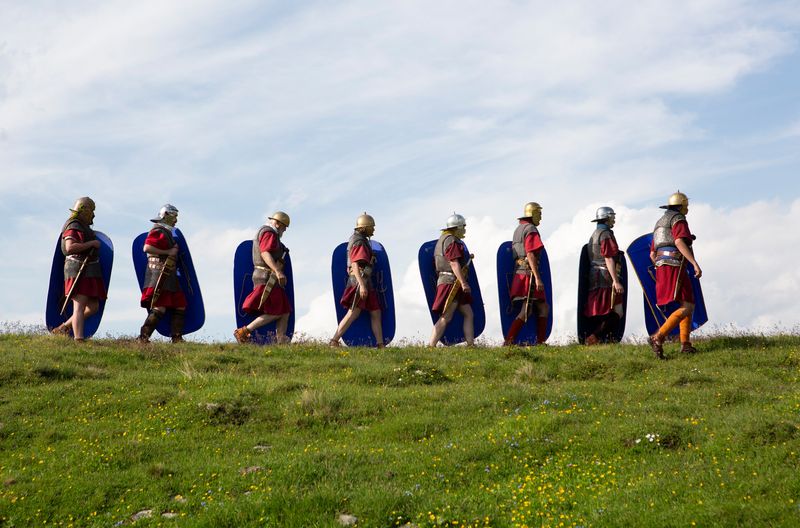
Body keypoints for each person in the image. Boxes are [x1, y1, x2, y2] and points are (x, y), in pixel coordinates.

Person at [647, 191, 702, 359]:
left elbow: (652, 253)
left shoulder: (659, 223)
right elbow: (678, 241)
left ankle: (685, 344)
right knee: (688, 306)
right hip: (675, 265)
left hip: (661, 265)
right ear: (681, 206)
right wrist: (694, 263)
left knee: (687, 302)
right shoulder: (678, 219)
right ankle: (658, 337)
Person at [51, 197, 107, 341]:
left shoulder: (83, 227)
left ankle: (63, 328)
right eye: (91, 211)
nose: (93, 215)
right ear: (85, 210)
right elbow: (70, 248)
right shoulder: (74, 225)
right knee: (79, 307)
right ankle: (79, 339)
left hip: (89, 270)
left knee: (93, 307)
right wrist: (92, 244)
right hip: (78, 269)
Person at [234, 212, 292, 344]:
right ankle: (243, 331)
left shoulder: (271, 234)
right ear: (277, 223)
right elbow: (265, 253)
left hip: (270, 277)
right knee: (277, 311)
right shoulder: (268, 233)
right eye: (284, 227)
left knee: (285, 311)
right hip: (266, 277)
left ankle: (281, 339)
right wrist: (277, 271)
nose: (284, 230)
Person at [330, 213, 384, 347]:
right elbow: (354, 264)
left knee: (375, 312)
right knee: (353, 313)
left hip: (365, 280)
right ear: (364, 227)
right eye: (371, 227)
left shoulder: (359, 240)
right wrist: (362, 285)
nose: (373, 230)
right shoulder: (358, 241)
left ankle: (380, 344)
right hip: (360, 280)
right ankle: (334, 340)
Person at [138, 204, 187, 343]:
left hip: (169, 274)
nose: (176, 220)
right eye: (174, 216)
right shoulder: (158, 230)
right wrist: (169, 252)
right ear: (165, 215)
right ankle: (143, 337)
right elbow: (147, 248)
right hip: (159, 274)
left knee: (180, 304)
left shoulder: (167, 232)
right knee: (160, 306)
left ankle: (177, 337)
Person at [503, 202, 550, 345]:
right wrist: (537, 278)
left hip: (520, 273)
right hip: (528, 275)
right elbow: (530, 254)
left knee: (542, 307)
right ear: (533, 214)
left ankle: (540, 342)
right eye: (539, 214)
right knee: (526, 311)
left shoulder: (518, 229)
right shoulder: (530, 229)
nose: (540, 218)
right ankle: (509, 341)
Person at [429, 213, 474, 346]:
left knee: (468, 313)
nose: (464, 229)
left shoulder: (442, 240)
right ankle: (430, 345)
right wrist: (463, 282)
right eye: (463, 226)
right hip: (451, 282)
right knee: (446, 316)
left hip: (453, 282)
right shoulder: (451, 240)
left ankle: (471, 345)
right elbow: (454, 263)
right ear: (457, 227)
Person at [583, 207, 625, 345]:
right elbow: (608, 258)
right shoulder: (605, 234)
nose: (614, 219)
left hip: (594, 275)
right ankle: (594, 337)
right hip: (606, 276)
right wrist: (615, 281)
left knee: (601, 310)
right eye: (612, 216)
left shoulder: (594, 234)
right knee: (616, 311)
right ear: (607, 218)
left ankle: (601, 339)